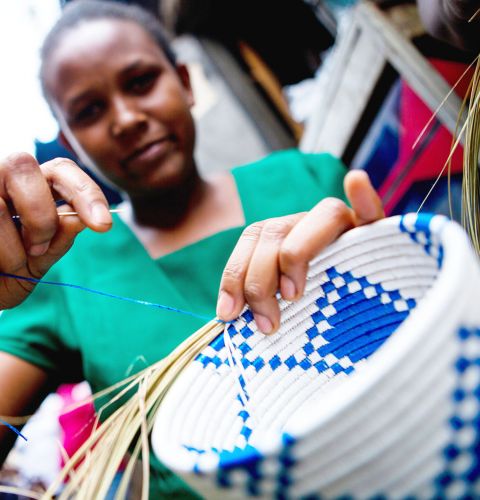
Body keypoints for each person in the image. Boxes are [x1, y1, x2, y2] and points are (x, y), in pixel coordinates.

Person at [0, 1, 383, 497]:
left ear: (183, 81)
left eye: (141, 82)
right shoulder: (56, 270)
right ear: (68, 142)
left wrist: (385, 259)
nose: (126, 118)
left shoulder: (310, 181)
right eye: (89, 111)